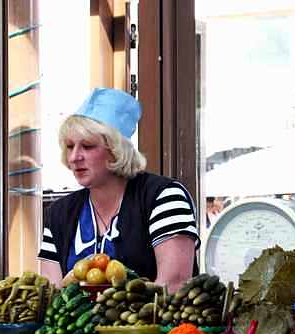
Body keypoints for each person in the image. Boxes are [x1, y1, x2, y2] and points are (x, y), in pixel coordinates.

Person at [38, 88, 199, 292]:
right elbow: (53, 295)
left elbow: (173, 287)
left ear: (117, 150)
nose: (74, 157)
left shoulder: (164, 197)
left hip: (152, 323)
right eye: (70, 146)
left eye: (87, 146)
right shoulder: (59, 213)